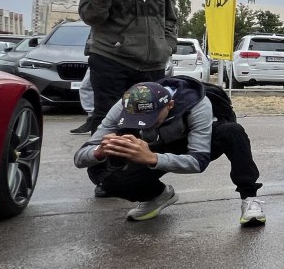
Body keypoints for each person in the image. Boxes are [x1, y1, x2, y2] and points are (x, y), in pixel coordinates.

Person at [73, 78, 266, 225]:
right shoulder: (123, 106)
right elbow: (80, 158)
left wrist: (152, 158)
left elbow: (198, 162)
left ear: (170, 106)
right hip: (151, 147)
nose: (145, 125)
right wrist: (99, 152)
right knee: (105, 178)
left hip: (193, 145)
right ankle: (157, 196)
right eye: (136, 120)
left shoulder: (197, 104)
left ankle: (249, 198)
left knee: (232, 131)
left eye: (150, 119)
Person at [78, 0, 178, 132]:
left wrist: (166, 46)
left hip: (152, 65)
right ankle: (102, 163)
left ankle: (136, 162)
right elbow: (90, 17)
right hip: (112, 61)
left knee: (146, 120)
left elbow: (170, 18)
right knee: (108, 119)